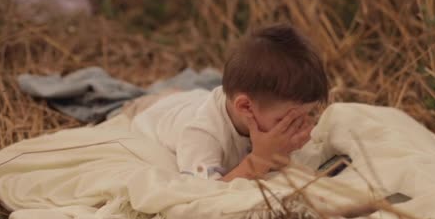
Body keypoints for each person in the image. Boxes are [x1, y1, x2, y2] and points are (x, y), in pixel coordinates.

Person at [130, 23, 329, 182]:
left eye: (305, 115)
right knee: (140, 101)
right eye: (286, 120)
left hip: (195, 97)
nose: (297, 127)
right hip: (155, 112)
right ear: (246, 107)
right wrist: (260, 159)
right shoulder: (202, 134)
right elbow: (205, 194)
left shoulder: (263, 112)